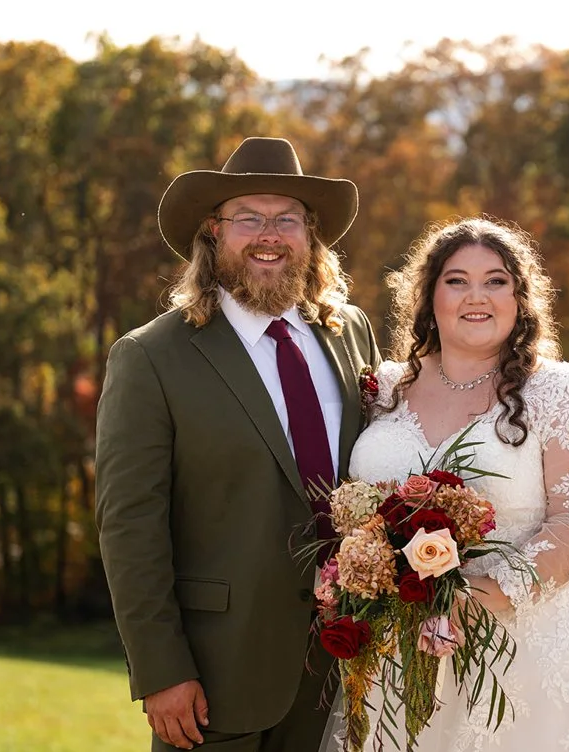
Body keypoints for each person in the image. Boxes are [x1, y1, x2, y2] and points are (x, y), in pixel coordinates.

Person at [324, 217, 569, 751]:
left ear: (521, 297)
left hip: (524, 649)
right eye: (456, 280)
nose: (476, 296)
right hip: (397, 649)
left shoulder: (566, 394)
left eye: (496, 280)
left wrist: (477, 599)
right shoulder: (384, 389)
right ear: (429, 297)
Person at [96, 137, 383, 752]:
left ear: (311, 235)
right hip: (214, 676)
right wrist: (161, 670)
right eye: (247, 218)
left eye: (286, 219)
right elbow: (129, 527)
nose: (268, 235)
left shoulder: (349, 332)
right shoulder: (151, 356)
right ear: (212, 233)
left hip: (346, 662)